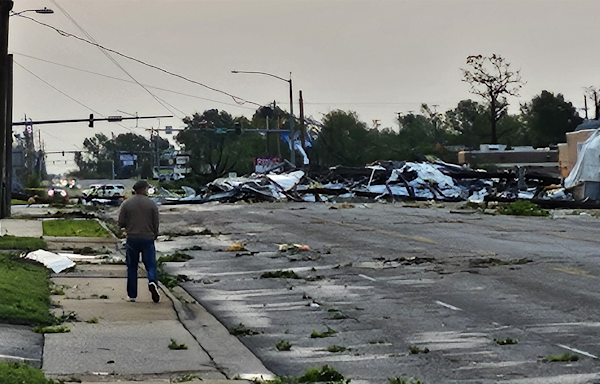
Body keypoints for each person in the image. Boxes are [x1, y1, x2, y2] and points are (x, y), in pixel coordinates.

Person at [118, 180, 160, 303]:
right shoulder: (151, 204)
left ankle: (132, 295)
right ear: (144, 189)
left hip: (132, 238)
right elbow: (155, 222)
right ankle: (152, 281)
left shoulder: (127, 204)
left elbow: (121, 222)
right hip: (147, 238)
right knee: (151, 264)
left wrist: (127, 227)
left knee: (132, 267)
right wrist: (155, 234)